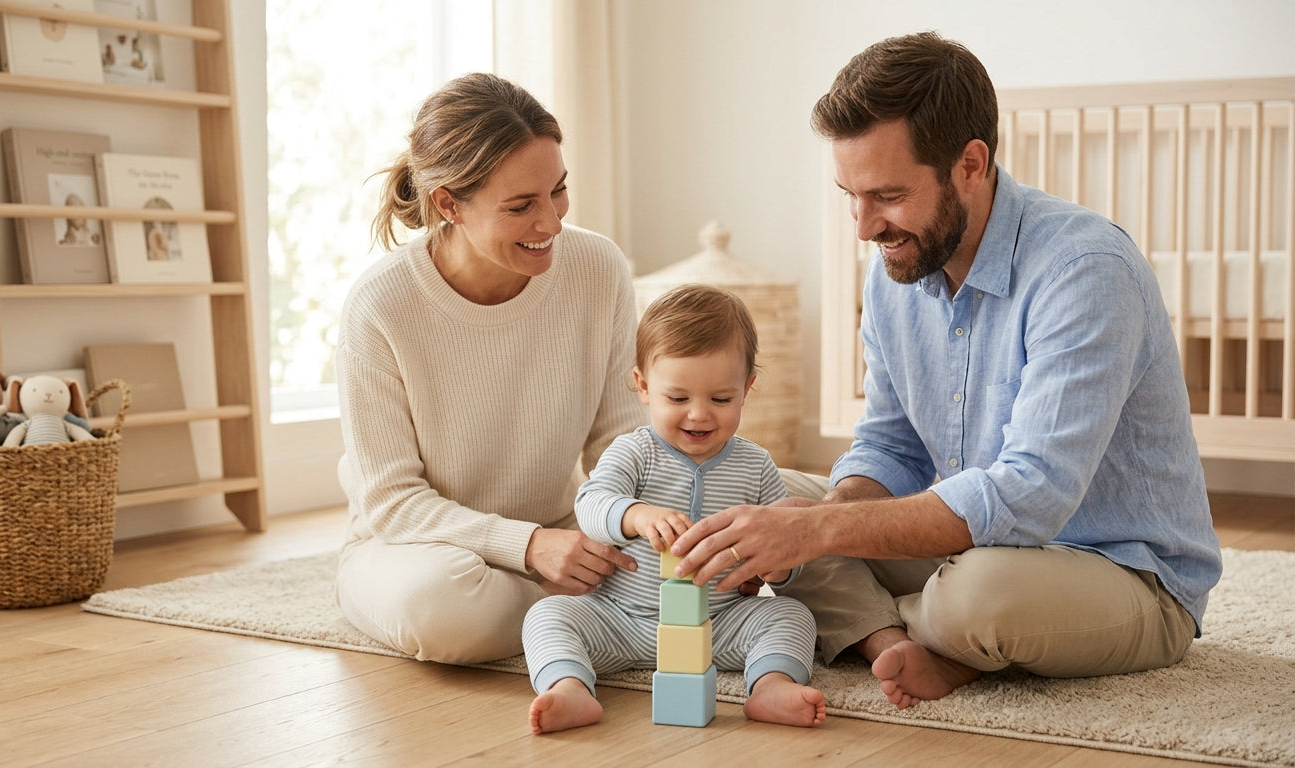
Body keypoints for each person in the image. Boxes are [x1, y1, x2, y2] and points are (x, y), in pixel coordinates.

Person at [670, 31, 1222, 710]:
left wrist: (817, 534)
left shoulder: (1084, 270)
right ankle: (894, 641)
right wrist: (816, 517)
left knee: (974, 596)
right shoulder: (897, 268)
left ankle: (916, 624)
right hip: (973, 543)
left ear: (970, 163)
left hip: (1122, 572)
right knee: (745, 492)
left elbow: (1030, 496)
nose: (864, 225)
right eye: (850, 193)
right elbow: (890, 447)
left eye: (888, 195)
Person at [334, 72, 646, 665]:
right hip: (418, 549)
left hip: (564, 535)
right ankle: (598, 613)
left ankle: (591, 608)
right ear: (448, 203)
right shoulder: (381, 305)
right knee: (441, 609)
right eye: (520, 206)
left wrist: (638, 525)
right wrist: (527, 547)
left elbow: (620, 442)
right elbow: (393, 503)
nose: (551, 222)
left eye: (558, 190)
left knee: (754, 499)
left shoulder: (596, 267)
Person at [523, 284, 825, 734]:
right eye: (678, 399)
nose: (699, 415)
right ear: (643, 387)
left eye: (721, 399)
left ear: (747, 388)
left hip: (720, 624)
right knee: (547, 615)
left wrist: (779, 569)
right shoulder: (633, 452)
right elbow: (591, 504)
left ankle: (770, 685)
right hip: (620, 620)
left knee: (792, 615)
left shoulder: (756, 464)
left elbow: (785, 546)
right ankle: (570, 687)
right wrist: (637, 514)